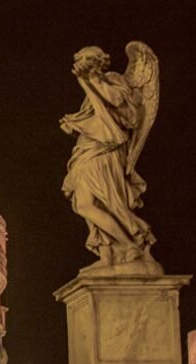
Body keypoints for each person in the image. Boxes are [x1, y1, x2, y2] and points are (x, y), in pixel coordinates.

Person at [59, 43, 159, 269]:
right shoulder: (89, 86)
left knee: (108, 201)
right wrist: (75, 124)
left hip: (106, 151)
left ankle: (129, 244)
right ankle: (108, 255)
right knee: (84, 205)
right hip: (89, 149)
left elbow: (118, 104)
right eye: (79, 61)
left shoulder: (113, 79)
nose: (80, 65)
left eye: (84, 60)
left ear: (97, 61)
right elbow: (97, 117)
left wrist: (92, 80)